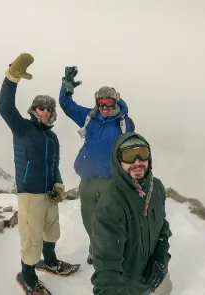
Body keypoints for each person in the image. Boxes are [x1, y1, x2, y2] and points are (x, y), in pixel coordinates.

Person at [0, 53, 75, 294]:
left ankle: (50, 262)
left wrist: (59, 185)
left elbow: (54, 166)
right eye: (40, 107)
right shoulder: (22, 128)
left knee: (52, 231)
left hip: (49, 193)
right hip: (30, 194)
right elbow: (5, 108)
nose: (44, 110)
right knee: (31, 240)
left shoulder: (51, 138)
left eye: (48, 108)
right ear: (34, 109)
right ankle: (28, 275)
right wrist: (11, 78)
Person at [58, 66, 135, 264]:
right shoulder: (89, 118)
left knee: (110, 219)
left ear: (115, 102)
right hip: (87, 181)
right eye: (101, 102)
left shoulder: (124, 124)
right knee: (89, 218)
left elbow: (131, 150)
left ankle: (112, 251)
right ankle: (95, 247)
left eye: (109, 102)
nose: (105, 106)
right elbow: (66, 105)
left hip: (111, 181)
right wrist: (66, 88)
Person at [91, 132, 173, 295]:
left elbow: (162, 226)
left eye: (142, 153)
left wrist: (160, 257)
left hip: (158, 278)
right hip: (129, 288)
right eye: (128, 156)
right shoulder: (111, 204)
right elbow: (107, 267)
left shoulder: (156, 187)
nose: (137, 162)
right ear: (118, 161)